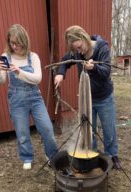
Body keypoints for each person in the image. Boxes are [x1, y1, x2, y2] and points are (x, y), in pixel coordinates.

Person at [54, 25, 122, 170]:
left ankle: (112, 156)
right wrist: (60, 73)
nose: (78, 52)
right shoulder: (77, 53)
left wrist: (94, 67)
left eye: (79, 47)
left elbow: (106, 71)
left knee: (108, 130)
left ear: (84, 38)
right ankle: (93, 154)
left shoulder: (101, 48)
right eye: (76, 50)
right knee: (88, 130)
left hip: (104, 98)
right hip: (87, 99)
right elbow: (65, 61)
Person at [0, 24, 58, 170]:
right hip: (16, 99)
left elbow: (37, 79)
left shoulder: (33, 57)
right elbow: (1, 81)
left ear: (24, 40)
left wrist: (18, 72)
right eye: (12, 42)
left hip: (35, 98)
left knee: (47, 128)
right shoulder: (6, 57)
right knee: (22, 131)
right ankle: (27, 156)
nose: (15, 46)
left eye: (17, 42)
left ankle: (52, 156)